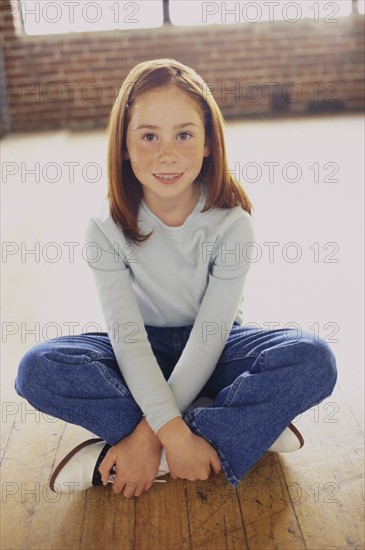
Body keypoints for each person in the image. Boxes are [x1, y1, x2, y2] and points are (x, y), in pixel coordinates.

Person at [15, 58, 337, 499]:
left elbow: (210, 335)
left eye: (184, 134)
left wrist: (155, 433)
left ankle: (147, 449)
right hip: (140, 351)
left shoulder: (232, 223)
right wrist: (175, 431)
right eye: (148, 136)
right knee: (38, 370)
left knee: (312, 359)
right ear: (124, 147)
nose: (167, 154)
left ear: (208, 143)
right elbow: (127, 339)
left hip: (218, 348)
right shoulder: (104, 228)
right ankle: (224, 432)